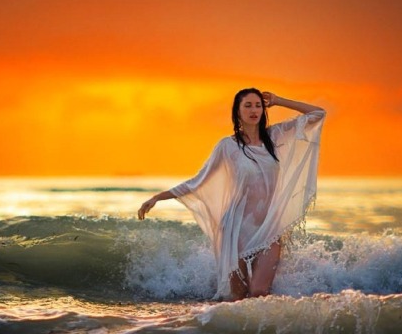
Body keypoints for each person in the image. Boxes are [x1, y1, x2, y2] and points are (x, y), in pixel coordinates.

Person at [138, 88, 326, 300]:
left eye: (258, 105)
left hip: (269, 228)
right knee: (237, 298)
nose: (254, 110)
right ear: (237, 112)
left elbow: (318, 114)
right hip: (237, 229)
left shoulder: (275, 136)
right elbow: (199, 180)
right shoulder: (228, 146)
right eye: (248, 105)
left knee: (259, 292)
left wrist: (279, 100)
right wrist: (158, 197)